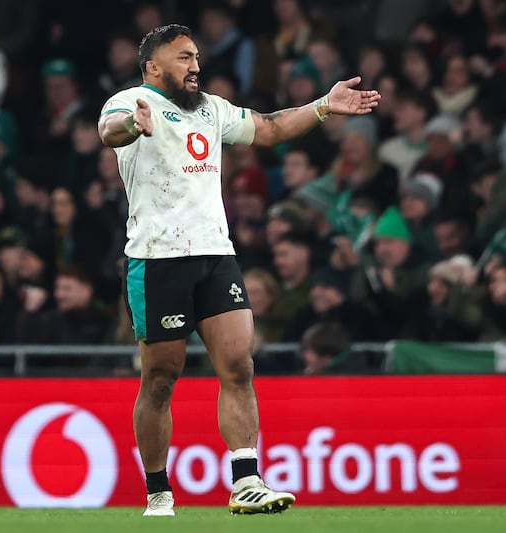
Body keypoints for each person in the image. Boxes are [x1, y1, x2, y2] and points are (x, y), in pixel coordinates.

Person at [98, 24, 379, 517]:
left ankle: (246, 480)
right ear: (153, 65)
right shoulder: (128, 101)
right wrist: (132, 125)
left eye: (197, 57)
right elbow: (108, 132)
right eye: (183, 57)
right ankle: (158, 490)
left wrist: (320, 108)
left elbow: (268, 128)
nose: (195, 66)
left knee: (240, 366)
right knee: (161, 379)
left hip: (215, 254)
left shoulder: (211, 108)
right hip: (158, 260)